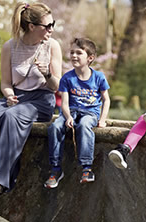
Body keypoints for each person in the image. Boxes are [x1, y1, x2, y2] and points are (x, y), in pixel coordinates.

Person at [0, 2, 62, 194]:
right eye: (47, 26)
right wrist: (9, 95)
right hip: (16, 97)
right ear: (32, 27)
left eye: (52, 24)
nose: (52, 29)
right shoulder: (10, 46)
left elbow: (57, 86)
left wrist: (47, 73)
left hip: (41, 100)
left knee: (11, 116)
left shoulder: (52, 46)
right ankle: (2, 181)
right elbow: (5, 83)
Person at [44, 38, 110, 188]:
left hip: (90, 113)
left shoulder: (98, 77)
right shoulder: (67, 78)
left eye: (79, 53)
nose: (73, 56)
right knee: (55, 127)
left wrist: (102, 119)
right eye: (72, 52)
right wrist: (67, 117)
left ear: (90, 58)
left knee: (85, 125)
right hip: (71, 111)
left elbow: (106, 100)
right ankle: (55, 169)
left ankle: (87, 168)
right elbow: (64, 103)